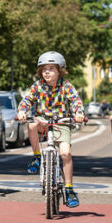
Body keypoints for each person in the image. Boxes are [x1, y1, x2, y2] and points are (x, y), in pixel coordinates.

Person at [16, 52, 86, 208]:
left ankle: (69, 189)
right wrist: (22, 110)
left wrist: (79, 113)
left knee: (65, 153)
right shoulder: (37, 86)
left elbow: (76, 101)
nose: (47, 72)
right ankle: (36, 157)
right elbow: (26, 100)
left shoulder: (66, 86)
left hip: (62, 123)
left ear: (60, 70)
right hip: (43, 123)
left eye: (51, 68)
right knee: (32, 124)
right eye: (44, 69)